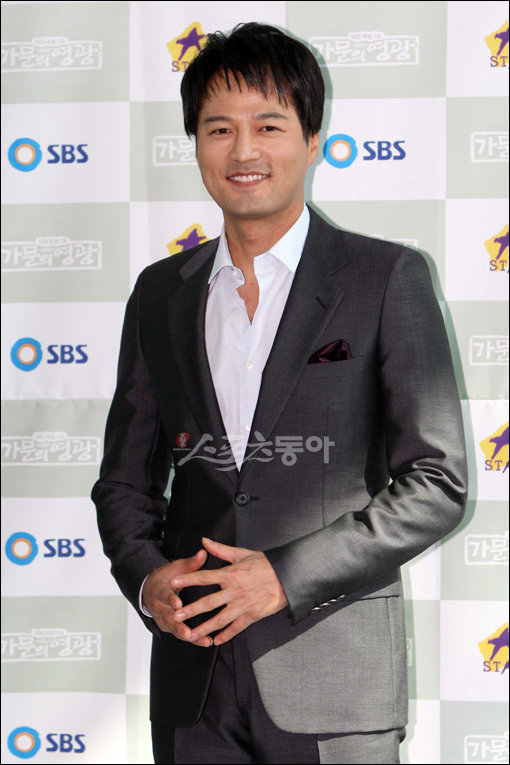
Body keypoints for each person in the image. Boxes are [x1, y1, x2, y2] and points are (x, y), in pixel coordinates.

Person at [91, 22, 468, 765]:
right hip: (194, 686)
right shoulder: (161, 293)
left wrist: (282, 577)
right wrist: (145, 577)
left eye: (268, 126)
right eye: (219, 129)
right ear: (196, 144)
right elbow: (124, 481)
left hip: (336, 681)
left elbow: (438, 482)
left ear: (313, 137)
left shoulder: (385, 278)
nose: (244, 151)